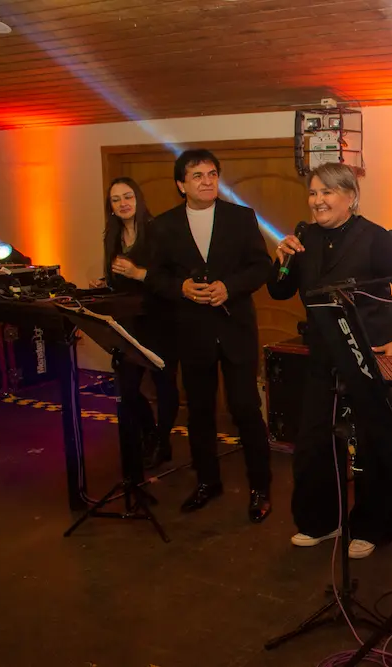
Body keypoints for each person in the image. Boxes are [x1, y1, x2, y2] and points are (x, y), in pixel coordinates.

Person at [267, 162, 392, 559]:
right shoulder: (305, 237)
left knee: (373, 445)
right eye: (313, 192)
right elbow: (279, 291)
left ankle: (372, 528)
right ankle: (321, 522)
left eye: (327, 192)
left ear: (351, 197)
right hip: (323, 355)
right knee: (314, 441)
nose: (317, 200)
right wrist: (281, 259)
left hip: (367, 356)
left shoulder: (375, 239)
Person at [143, 149, 273, 523]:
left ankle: (260, 488)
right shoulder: (163, 226)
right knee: (199, 412)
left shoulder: (240, 218)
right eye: (197, 175)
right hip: (192, 332)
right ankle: (207, 482)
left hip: (236, 330)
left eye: (212, 173)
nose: (207, 181)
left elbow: (261, 266)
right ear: (181, 184)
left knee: (245, 409)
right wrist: (182, 288)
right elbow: (155, 277)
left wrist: (229, 287)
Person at [95, 177, 180, 475]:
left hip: (160, 318)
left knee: (164, 383)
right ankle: (151, 433)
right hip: (128, 323)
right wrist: (106, 284)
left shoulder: (158, 232)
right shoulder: (112, 236)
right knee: (128, 388)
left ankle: (161, 441)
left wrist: (137, 272)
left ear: (138, 199)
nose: (123, 203)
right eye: (116, 199)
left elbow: (170, 280)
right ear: (111, 206)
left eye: (128, 196)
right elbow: (117, 280)